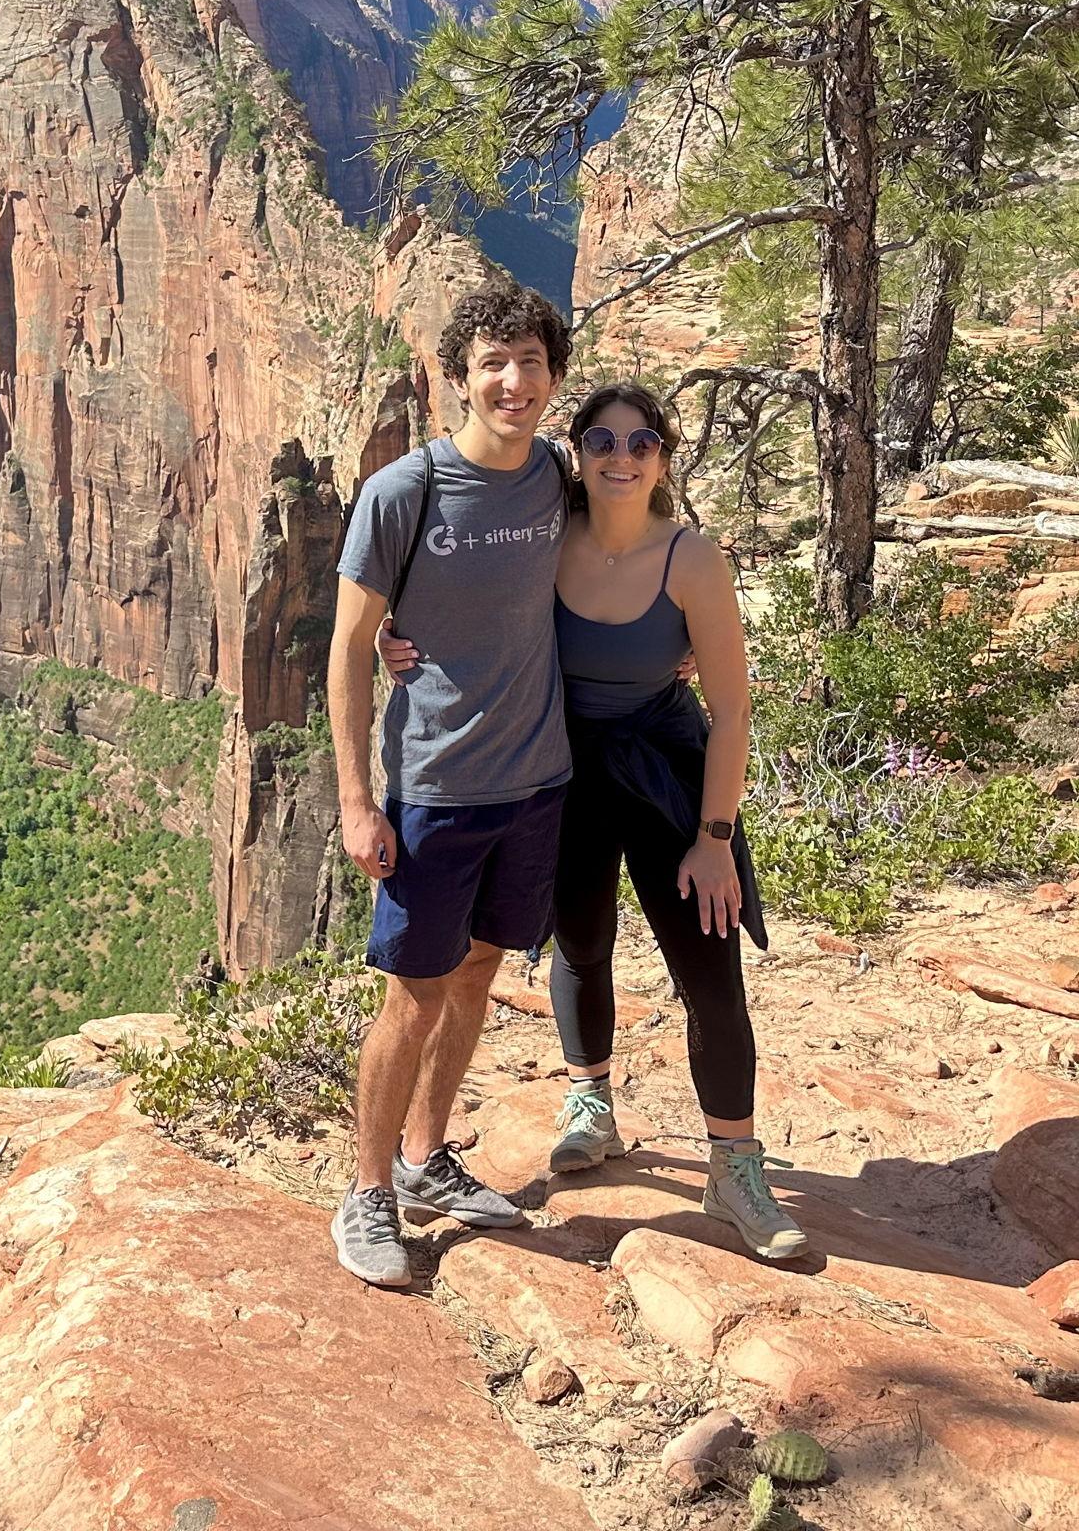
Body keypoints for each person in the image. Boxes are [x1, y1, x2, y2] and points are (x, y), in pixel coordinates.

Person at [378, 381, 807, 1262]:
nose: (622, 456)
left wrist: (714, 838)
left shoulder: (691, 560)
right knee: (579, 943)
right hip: (558, 769)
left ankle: (734, 1165)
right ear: (575, 452)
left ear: (662, 457)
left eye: (641, 442)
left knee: (707, 964)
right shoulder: (549, 536)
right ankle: (590, 1103)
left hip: (663, 773)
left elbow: (731, 709)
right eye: (603, 441)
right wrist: (395, 630)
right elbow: (464, 582)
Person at [326, 278, 574, 1289]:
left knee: (476, 970)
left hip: (537, 780)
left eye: (531, 362)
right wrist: (354, 797)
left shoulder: (557, 474)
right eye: (493, 364)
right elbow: (348, 648)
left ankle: (428, 1159)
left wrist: (677, 644)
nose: (513, 382)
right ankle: (367, 1190)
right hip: (434, 786)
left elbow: (619, 567)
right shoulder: (405, 491)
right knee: (411, 997)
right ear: (457, 378)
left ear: (552, 375)